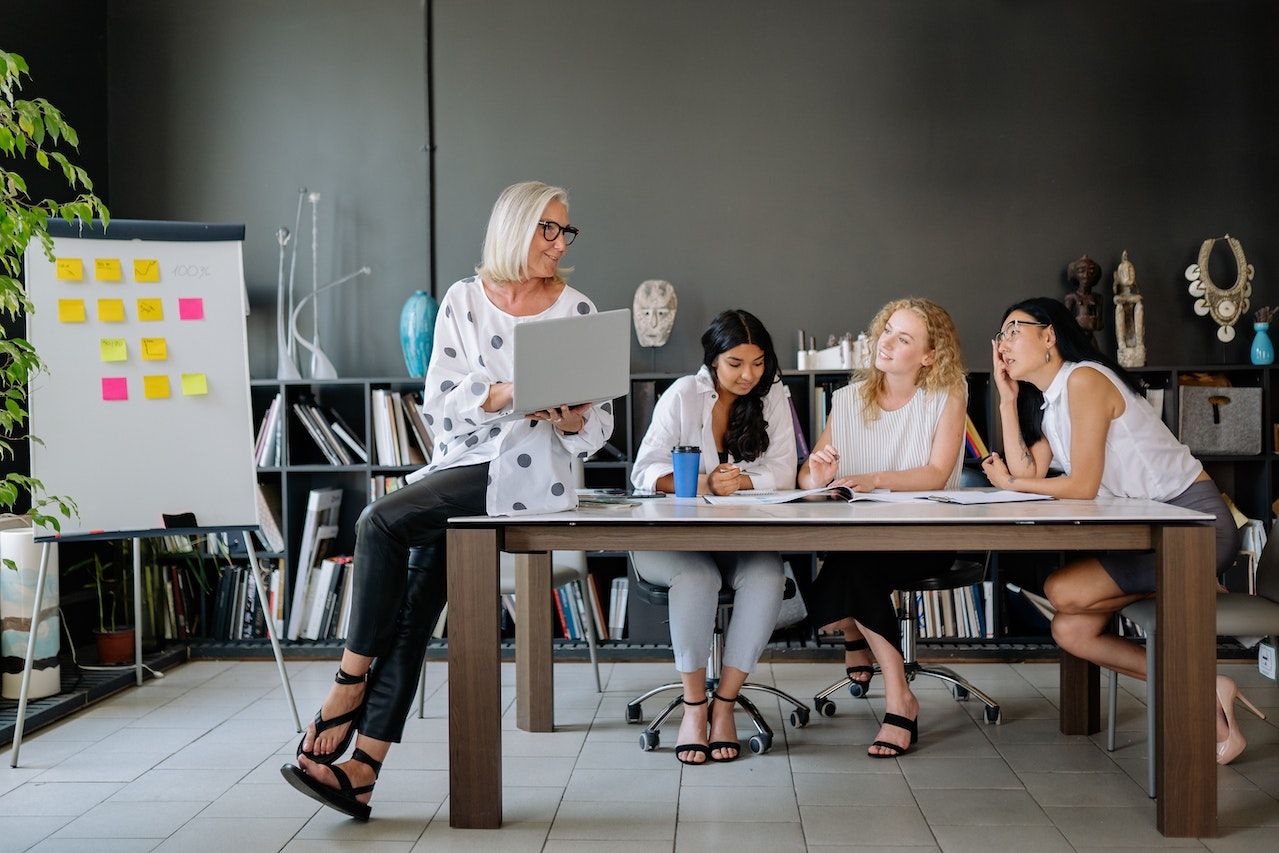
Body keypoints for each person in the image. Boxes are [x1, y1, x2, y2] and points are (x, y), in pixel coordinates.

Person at [280, 181, 614, 818]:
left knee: (380, 520)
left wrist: (570, 419)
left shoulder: (577, 310)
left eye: (566, 231)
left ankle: (347, 685)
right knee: (411, 604)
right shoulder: (464, 300)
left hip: (534, 474)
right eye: (549, 228)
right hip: (463, 466)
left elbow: (599, 430)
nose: (560, 242)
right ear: (515, 228)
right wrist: (510, 393)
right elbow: (442, 403)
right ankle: (364, 770)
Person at [981, 296, 1252, 765]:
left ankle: (1196, 628)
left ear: (1049, 336)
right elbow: (1030, 473)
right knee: (1071, 631)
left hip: (1194, 528)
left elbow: (1080, 484)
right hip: (1152, 531)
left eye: (1012, 331)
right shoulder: (1053, 404)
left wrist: (1009, 481)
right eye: (999, 335)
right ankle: (1210, 689)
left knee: (1061, 588)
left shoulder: (1086, 380)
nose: (1001, 344)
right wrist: (1007, 401)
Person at [799, 297, 967, 758]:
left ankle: (889, 682)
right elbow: (808, 476)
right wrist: (816, 471)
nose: (887, 343)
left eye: (904, 338)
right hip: (857, 539)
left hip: (926, 537)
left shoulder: (947, 397)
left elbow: (935, 473)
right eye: (887, 330)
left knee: (851, 569)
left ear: (930, 355)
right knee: (855, 560)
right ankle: (900, 695)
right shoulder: (847, 400)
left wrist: (874, 479)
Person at [629, 310, 796, 764]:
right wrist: (704, 485)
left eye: (758, 362)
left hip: (738, 541)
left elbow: (784, 472)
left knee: (767, 572)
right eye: (736, 363)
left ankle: (724, 704)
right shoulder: (684, 394)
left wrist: (739, 482)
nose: (749, 375)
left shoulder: (773, 395)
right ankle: (693, 706)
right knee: (698, 577)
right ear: (713, 360)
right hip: (673, 544)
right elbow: (643, 472)